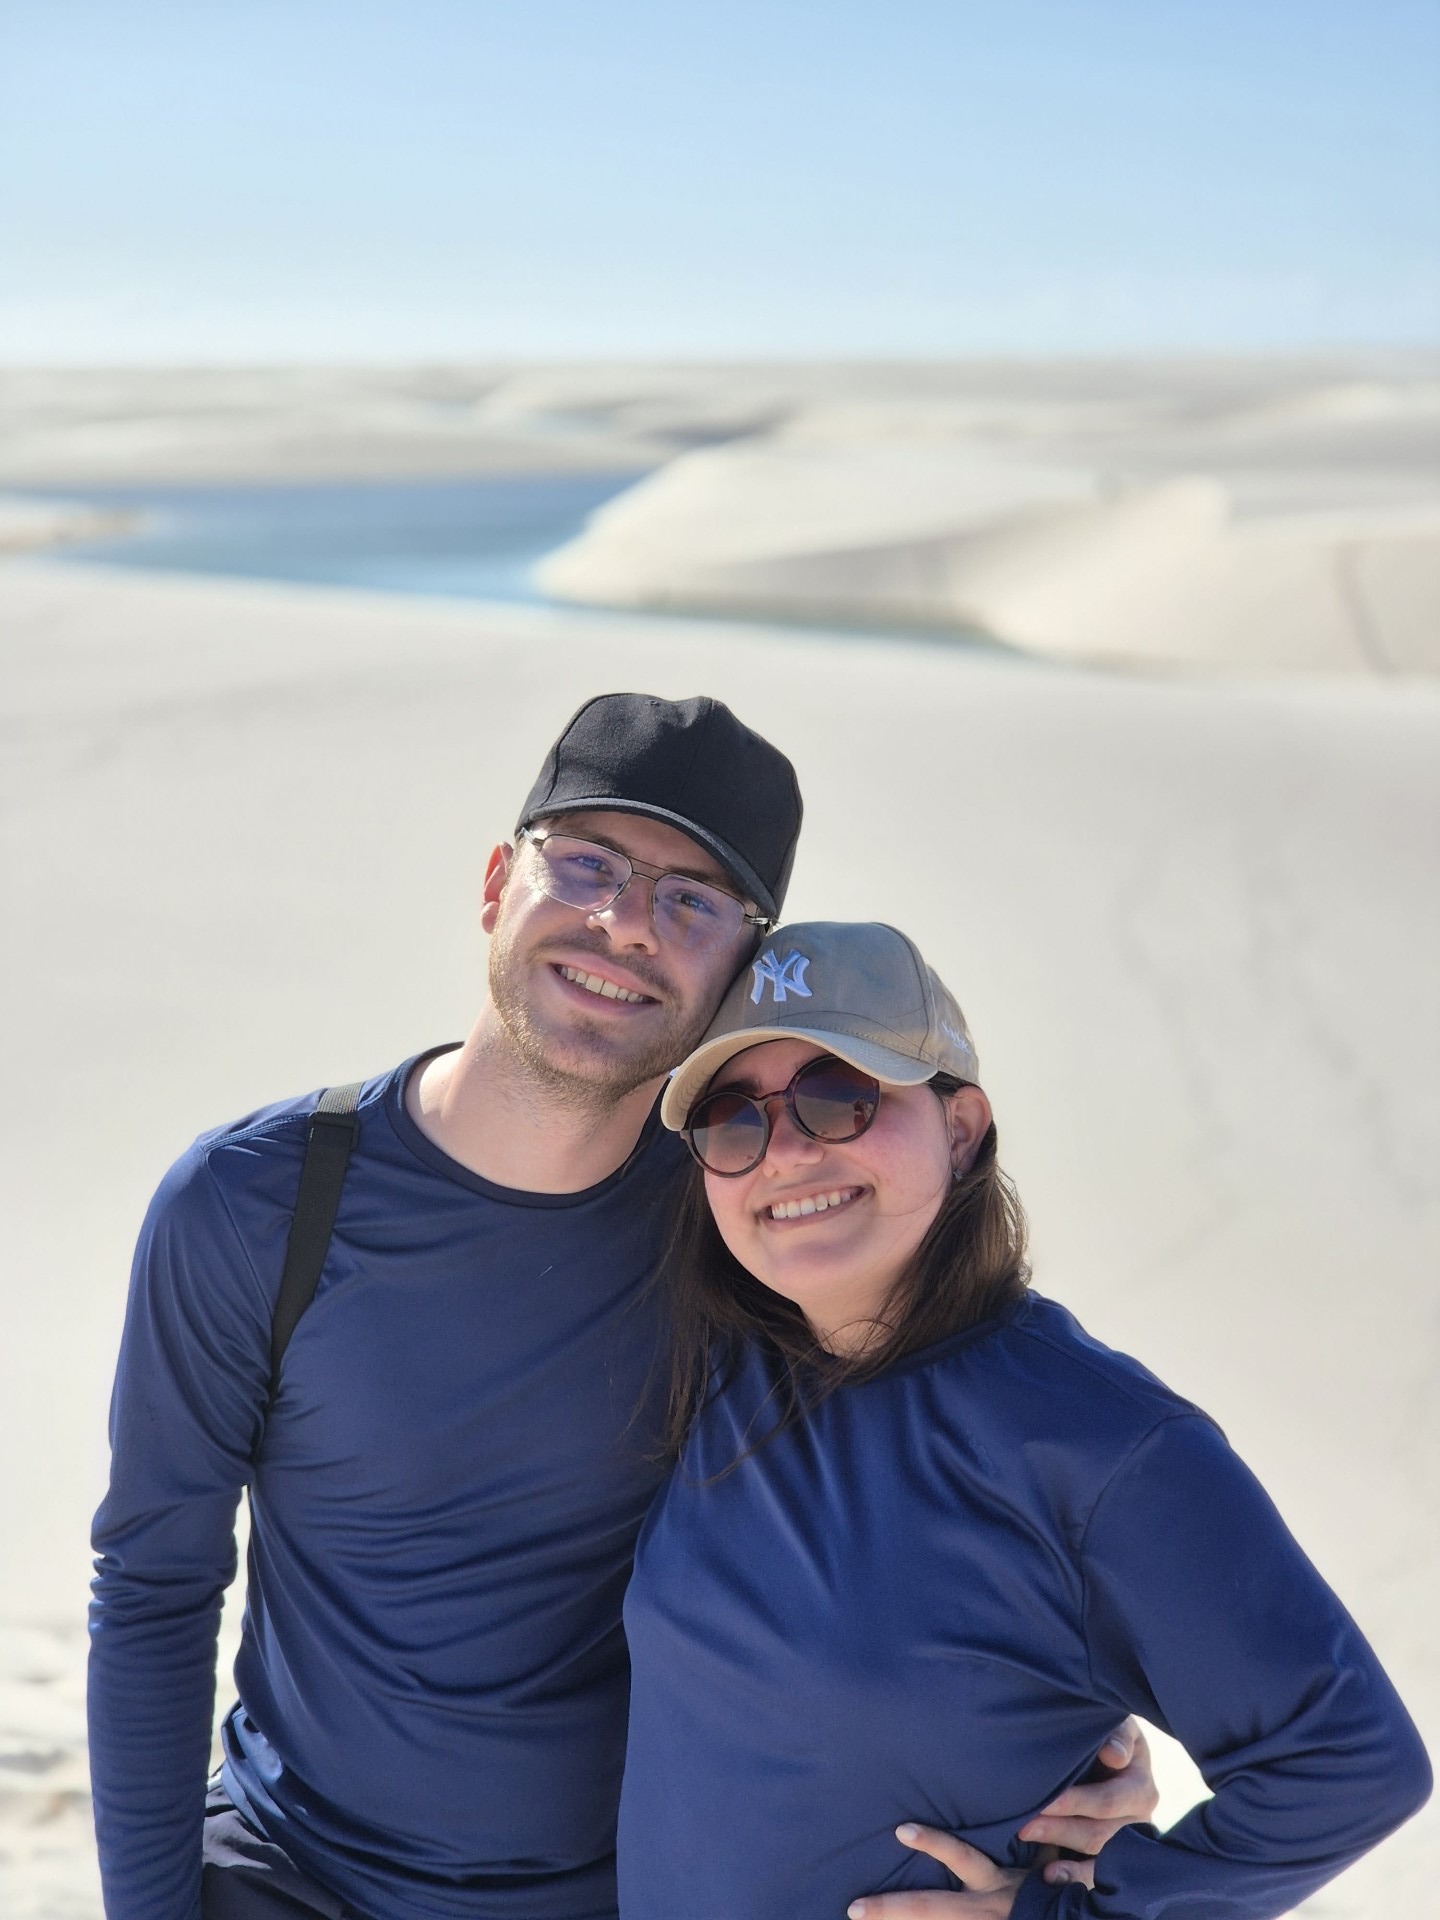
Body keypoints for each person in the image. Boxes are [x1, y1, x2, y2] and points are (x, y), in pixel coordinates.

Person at [89, 696, 1155, 1920]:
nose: (624, 923)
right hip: (293, 1878)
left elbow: (960, 1473)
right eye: (586, 863)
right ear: (497, 882)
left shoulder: (749, 1227)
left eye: (693, 901)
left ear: (736, 980)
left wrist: (1086, 1746)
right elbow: (155, 1586)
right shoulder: (257, 1206)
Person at [618, 919, 1432, 1920]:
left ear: (961, 1129)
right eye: (735, 1122)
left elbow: (1348, 1766)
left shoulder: (1103, 1446)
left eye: (839, 1098)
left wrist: (1071, 1917)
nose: (783, 1154)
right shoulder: (718, 1367)